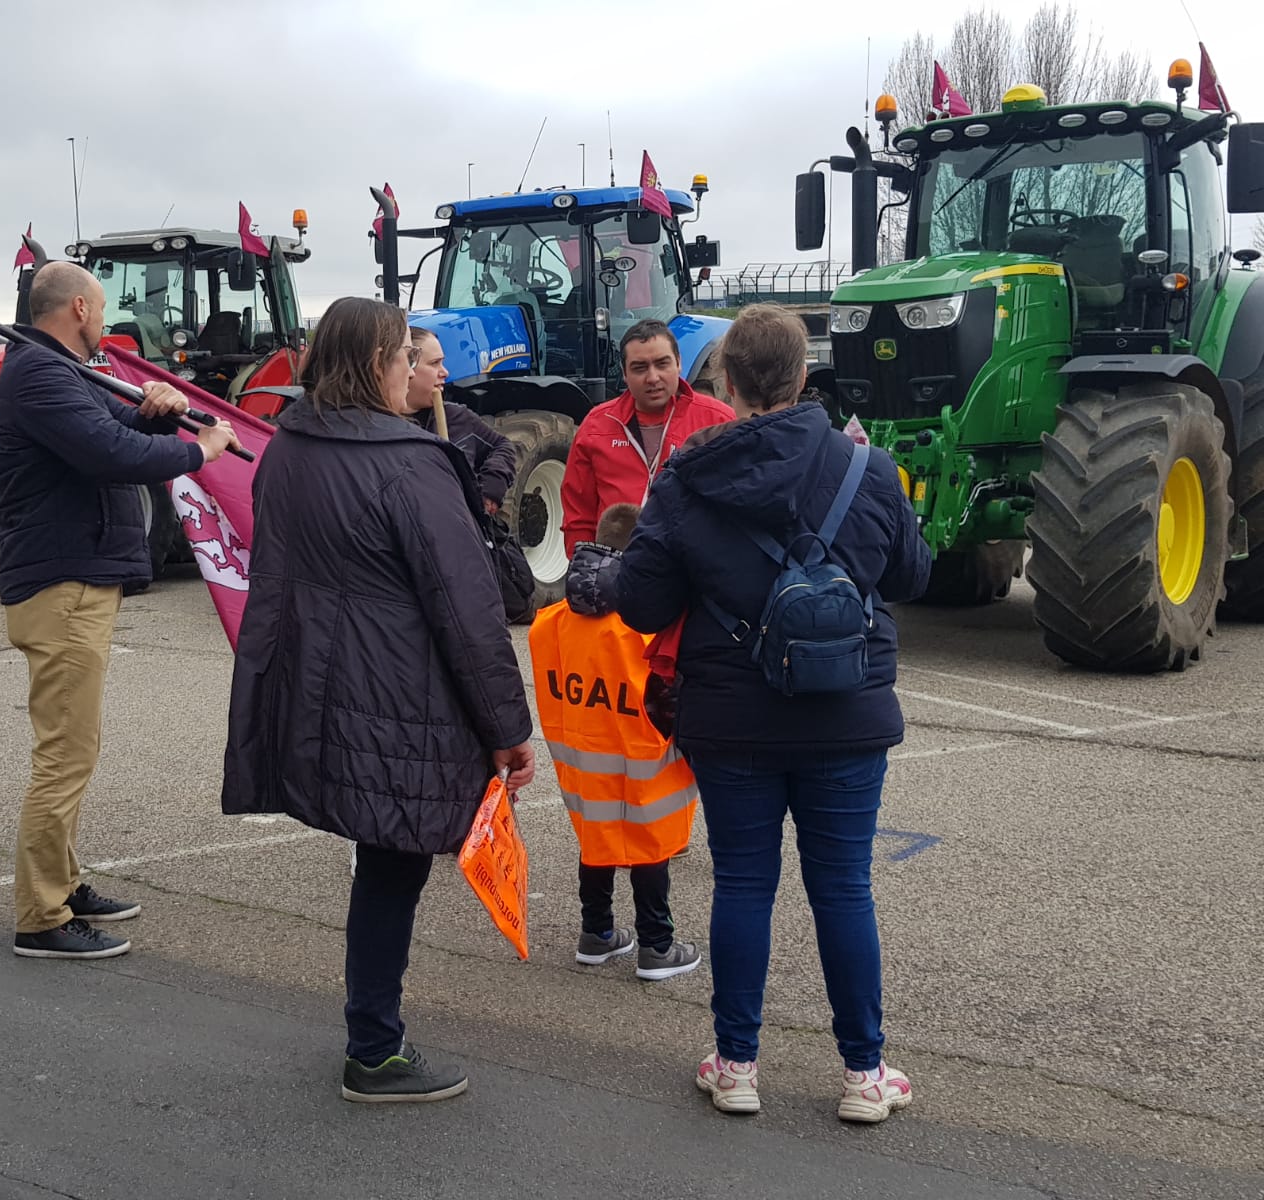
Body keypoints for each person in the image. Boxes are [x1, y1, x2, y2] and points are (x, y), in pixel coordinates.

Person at [615, 305, 931, 1123]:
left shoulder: (687, 478)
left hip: (734, 718)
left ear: (726, 382)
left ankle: (738, 1064)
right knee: (843, 890)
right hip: (848, 711)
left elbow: (645, 604)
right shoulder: (870, 469)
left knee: (744, 886)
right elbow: (911, 577)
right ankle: (865, 1074)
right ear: (801, 377)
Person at [221, 297, 535, 1104]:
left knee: (382, 859)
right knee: (393, 865)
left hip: (320, 685)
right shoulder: (409, 461)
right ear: (374, 364)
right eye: (403, 357)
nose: (411, 372)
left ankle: (373, 1031)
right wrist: (508, 729)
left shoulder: (288, 448)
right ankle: (374, 1047)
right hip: (398, 696)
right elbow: (466, 609)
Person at [0, 261, 239, 961]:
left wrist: (151, 408)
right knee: (65, 754)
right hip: (62, 586)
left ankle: (64, 884)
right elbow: (109, 453)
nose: (105, 323)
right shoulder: (40, 375)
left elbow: (116, 426)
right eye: (100, 311)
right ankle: (40, 916)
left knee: (74, 747)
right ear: (76, 308)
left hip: (76, 579)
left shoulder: (59, 373)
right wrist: (199, 448)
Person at [529, 502, 701, 981]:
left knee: (596, 839)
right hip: (642, 756)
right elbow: (670, 695)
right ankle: (657, 946)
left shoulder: (554, 620)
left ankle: (597, 933)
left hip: (583, 758)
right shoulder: (645, 623)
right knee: (649, 846)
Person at [559, 318, 736, 557]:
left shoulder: (719, 421)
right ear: (624, 373)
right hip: (618, 573)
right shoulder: (597, 426)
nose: (652, 378)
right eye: (640, 368)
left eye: (662, 364)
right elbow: (578, 518)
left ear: (679, 363)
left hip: (694, 572)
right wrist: (584, 569)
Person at [399, 327, 517, 517]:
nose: (445, 372)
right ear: (406, 367)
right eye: (434, 363)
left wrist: (489, 490)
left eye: (442, 362)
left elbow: (502, 445)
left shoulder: (456, 416)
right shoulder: (382, 428)